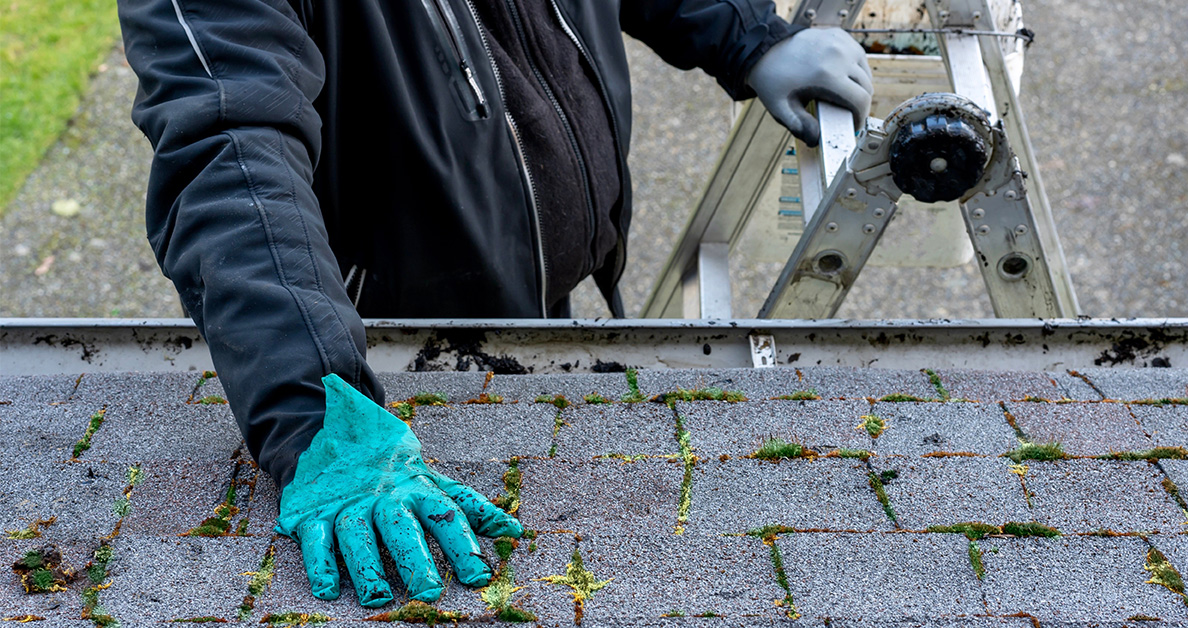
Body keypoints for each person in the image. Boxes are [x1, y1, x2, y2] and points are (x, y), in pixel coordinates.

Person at [117, 0, 872, 608]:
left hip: (541, 296)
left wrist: (744, 32)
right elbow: (229, 147)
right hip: (380, 368)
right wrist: (317, 407)